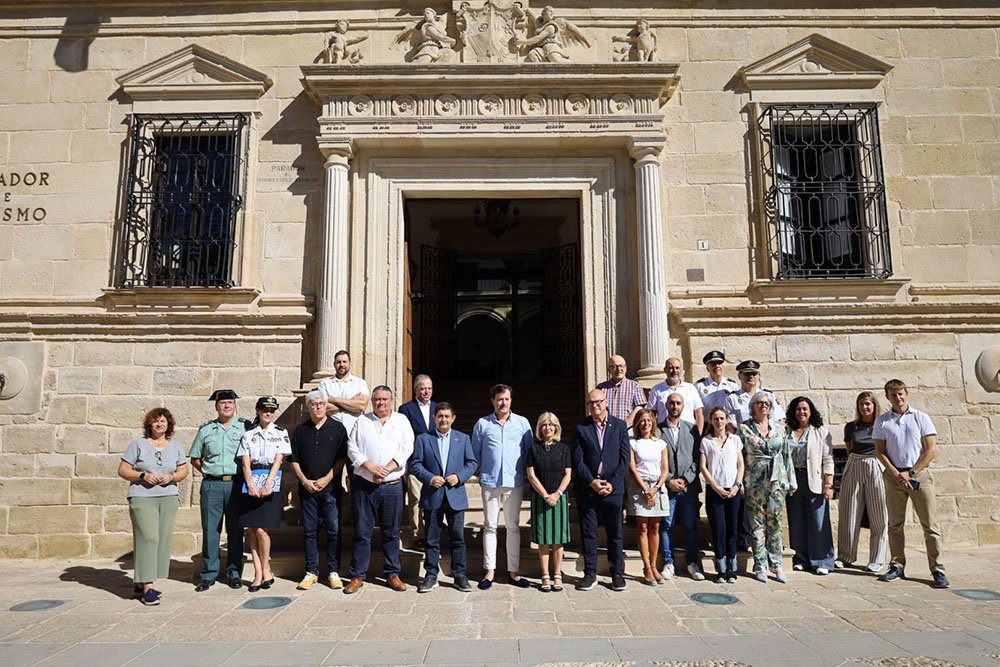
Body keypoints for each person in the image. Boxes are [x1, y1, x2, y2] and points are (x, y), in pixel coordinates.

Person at [874, 379, 948, 588]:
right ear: (887, 397)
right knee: (895, 525)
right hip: (893, 476)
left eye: (901, 393)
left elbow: (930, 449)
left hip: (919, 476)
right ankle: (897, 565)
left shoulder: (921, 418)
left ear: (907, 393)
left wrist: (912, 472)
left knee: (930, 525)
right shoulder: (882, 421)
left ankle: (937, 569)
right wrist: (897, 473)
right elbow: (880, 451)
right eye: (893, 395)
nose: (898, 398)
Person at [345, 386, 414, 594]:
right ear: (372, 401)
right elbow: (351, 447)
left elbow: (407, 447)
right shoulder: (362, 421)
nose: (381, 403)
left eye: (385, 399)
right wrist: (370, 467)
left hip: (392, 486)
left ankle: (393, 574)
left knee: (391, 532)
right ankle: (357, 575)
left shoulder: (401, 421)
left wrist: (387, 469)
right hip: (365, 486)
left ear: (391, 401)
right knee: (361, 532)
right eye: (377, 399)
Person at [118, 408, 189, 605]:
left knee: (162, 540)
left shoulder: (175, 446)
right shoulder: (138, 445)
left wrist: (172, 476)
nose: (159, 424)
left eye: (163, 421)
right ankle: (149, 587)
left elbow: (184, 470)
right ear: (149, 424)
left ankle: (141, 583)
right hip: (142, 497)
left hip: (167, 497)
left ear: (169, 425)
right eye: (156, 421)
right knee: (148, 538)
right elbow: (123, 470)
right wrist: (142, 475)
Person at [408, 402, 477, 593]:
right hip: (433, 495)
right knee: (431, 538)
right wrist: (429, 478)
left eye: (447, 416)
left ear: (453, 419)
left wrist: (459, 476)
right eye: (440, 416)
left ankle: (459, 575)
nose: (444, 419)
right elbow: (415, 465)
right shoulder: (423, 439)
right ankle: (431, 575)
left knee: (458, 538)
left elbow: (472, 463)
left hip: (455, 496)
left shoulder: (462, 439)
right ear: (434, 418)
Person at [471, 383, 534, 590]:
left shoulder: (522, 423)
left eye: (506, 399)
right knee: (489, 526)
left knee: (513, 527)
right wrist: (483, 471)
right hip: (490, 482)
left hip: (513, 482)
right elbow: (475, 452)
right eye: (499, 399)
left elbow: (528, 451)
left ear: (511, 400)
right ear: (493, 401)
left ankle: (513, 572)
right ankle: (489, 571)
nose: (503, 403)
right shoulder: (482, 424)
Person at [190, 389, 251, 591]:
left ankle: (234, 573)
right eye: (223, 403)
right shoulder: (206, 430)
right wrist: (210, 472)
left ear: (235, 406)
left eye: (230, 403)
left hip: (235, 484)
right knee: (210, 530)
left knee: (235, 530)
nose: (227, 406)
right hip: (212, 485)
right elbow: (195, 458)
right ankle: (208, 574)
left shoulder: (245, 427)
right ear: (216, 406)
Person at [289, 390, 349, 591]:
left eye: (321, 403)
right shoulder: (300, 431)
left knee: (333, 530)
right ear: (308, 407)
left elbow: (342, 459)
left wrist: (326, 479)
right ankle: (311, 571)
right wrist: (305, 481)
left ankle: (333, 571)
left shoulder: (338, 429)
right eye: (314, 404)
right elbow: (294, 460)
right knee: (309, 532)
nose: (318, 407)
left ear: (326, 405)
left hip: (330, 489)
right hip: (307, 490)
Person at [573, 388, 630, 591]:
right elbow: (578, 460)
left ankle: (617, 574)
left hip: (613, 490)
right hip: (589, 490)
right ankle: (590, 573)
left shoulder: (620, 426)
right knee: (589, 534)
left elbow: (625, 459)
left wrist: (612, 483)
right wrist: (591, 482)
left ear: (606, 402)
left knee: (615, 533)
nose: (595, 405)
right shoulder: (582, 427)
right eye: (591, 402)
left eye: (598, 401)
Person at [739, 391, 795, 583]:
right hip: (754, 483)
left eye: (767, 404)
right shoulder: (745, 428)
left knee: (775, 524)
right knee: (757, 526)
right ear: (752, 406)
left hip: (776, 482)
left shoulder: (779, 429)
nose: (764, 406)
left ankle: (776, 564)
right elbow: (741, 456)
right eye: (760, 403)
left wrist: (791, 481)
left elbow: (786, 455)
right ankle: (760, 565)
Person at [237, 396, 291, 592]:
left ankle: (266, 568)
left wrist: (268, 483)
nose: (269, 413)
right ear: (258, 410)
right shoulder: (248, 434)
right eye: (265, 409)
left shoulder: (280, 433)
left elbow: (279, 460)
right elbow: (245, 461)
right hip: (251, 480)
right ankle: (259, 573)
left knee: (262, 529)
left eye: (272, 410)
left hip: (270, 479)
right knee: (251, 529)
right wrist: (250, 483)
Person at [837, 391, 888, 573]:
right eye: (861, 404)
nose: (864, 407)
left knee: (878, 514)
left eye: (867, 404)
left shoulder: (883, 424)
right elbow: (850, 448)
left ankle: (877, 558)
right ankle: (845, 555)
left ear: (874, 405)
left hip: (876, 465)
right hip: (855, 463)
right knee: (849, 511)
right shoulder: (851, 427)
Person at [784, 396, 836, 575]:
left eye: (805, 409)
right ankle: (801, 558)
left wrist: (829, 484)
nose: (802, 412)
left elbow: (828, 459)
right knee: (796, 520)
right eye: (798, 409)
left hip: (814, 479)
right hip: (793, 480)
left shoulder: (820, 431)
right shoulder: (787, 431)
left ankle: (822, 560)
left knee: (818, 521)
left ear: (810, 411)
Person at [658, 393, 705, 581]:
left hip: (688, 488)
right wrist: (669, 479)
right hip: (667, 487)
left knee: (690, 526)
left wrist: (686, 479)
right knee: (666, 525)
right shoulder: (657, 430)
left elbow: (698, 457)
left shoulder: (692, 429)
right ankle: (668, 562)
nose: (675, 406)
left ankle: (692, 562)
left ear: (683, 406)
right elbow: (655, 459)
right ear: (666, 406)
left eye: (678, 403)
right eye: (671, 403)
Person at [525, 413, 572, 592]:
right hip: (540, 497)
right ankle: (545, 574)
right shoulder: (533, 449)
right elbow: (531, 475)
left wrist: (557, 494)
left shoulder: (564, 448)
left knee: (558, 539)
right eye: (544, 425)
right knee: (543, 538)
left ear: (556, 427)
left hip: (559, 497)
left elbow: (568, 474)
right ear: (539, 428)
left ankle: (557, 573)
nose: (548, 428)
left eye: (551, 425)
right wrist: (545, 495)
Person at [700, 407, 744, 583]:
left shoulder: (735, 440)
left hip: (733, 490)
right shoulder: (706, 441)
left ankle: (732, 568)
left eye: (722, 418)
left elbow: (740, 464)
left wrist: (737, 485)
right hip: (715, 490)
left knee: (732, 529)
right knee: (719, 529)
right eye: (715, 418)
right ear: (711, 421)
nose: (719, 422)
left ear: (726, 420)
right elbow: (704, 467)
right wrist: (715, 486)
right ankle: (721, 568)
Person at [627, 408, 670, 585]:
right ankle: (646, 567)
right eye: (642, 421)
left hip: (658, 487)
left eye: (649, 420)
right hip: (640, 486)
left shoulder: (660, 443)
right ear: (638, 423)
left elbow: (665, 468)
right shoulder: (633, 443)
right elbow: (633, 468)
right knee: (643, 527)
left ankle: (654, 565)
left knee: (655, 527)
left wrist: (656, 488)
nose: (646, 424)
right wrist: (645, 489)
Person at [399, 374, 437, 544]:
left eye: (429, 388)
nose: (426, 391)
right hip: (415, 461)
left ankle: (432, 532)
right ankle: (418, 535)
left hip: (435, 462)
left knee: (434, 497)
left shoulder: (438, 408)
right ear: (415, 390)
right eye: (423, 388)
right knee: (415, 497)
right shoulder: (406, 409)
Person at [318, 350, 370, 438]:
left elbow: (361, 406)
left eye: (344, 362)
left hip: (354, 431)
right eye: (338, 362)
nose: (342, 365)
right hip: (331, 432)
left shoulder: (360, 383)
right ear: (334, 364)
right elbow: (322, 408)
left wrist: (334, 400)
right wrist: (352, 403)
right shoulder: (324, 384)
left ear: (350, 363)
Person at [647, 357, 704, 433]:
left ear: (681, 370)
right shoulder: (656, 390)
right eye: (671, 368)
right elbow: (651, 415)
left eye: (677, 368)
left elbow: (699, 414)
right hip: (664, 432)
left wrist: (698, 434)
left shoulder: (691, 388)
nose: (674, 371)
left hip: (688, 432)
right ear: (665, 370)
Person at [725, 360, 785, 426]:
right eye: (747, 373)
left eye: (754, 373)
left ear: (758, 376)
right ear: (739, 376)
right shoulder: (732, 398)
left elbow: (777, 419)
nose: (751, 376)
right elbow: (731, 424)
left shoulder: (768, 396)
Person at [596, 355, 646, 426]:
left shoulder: (635, 386)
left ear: (626, 368)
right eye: (614, 366)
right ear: (609, 370)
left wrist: (627, 423)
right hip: (606, 428)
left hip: (628, 428)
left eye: (621, 366)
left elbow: (639, 407)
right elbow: (597, 407)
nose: (619, 369)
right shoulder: (601, 387)